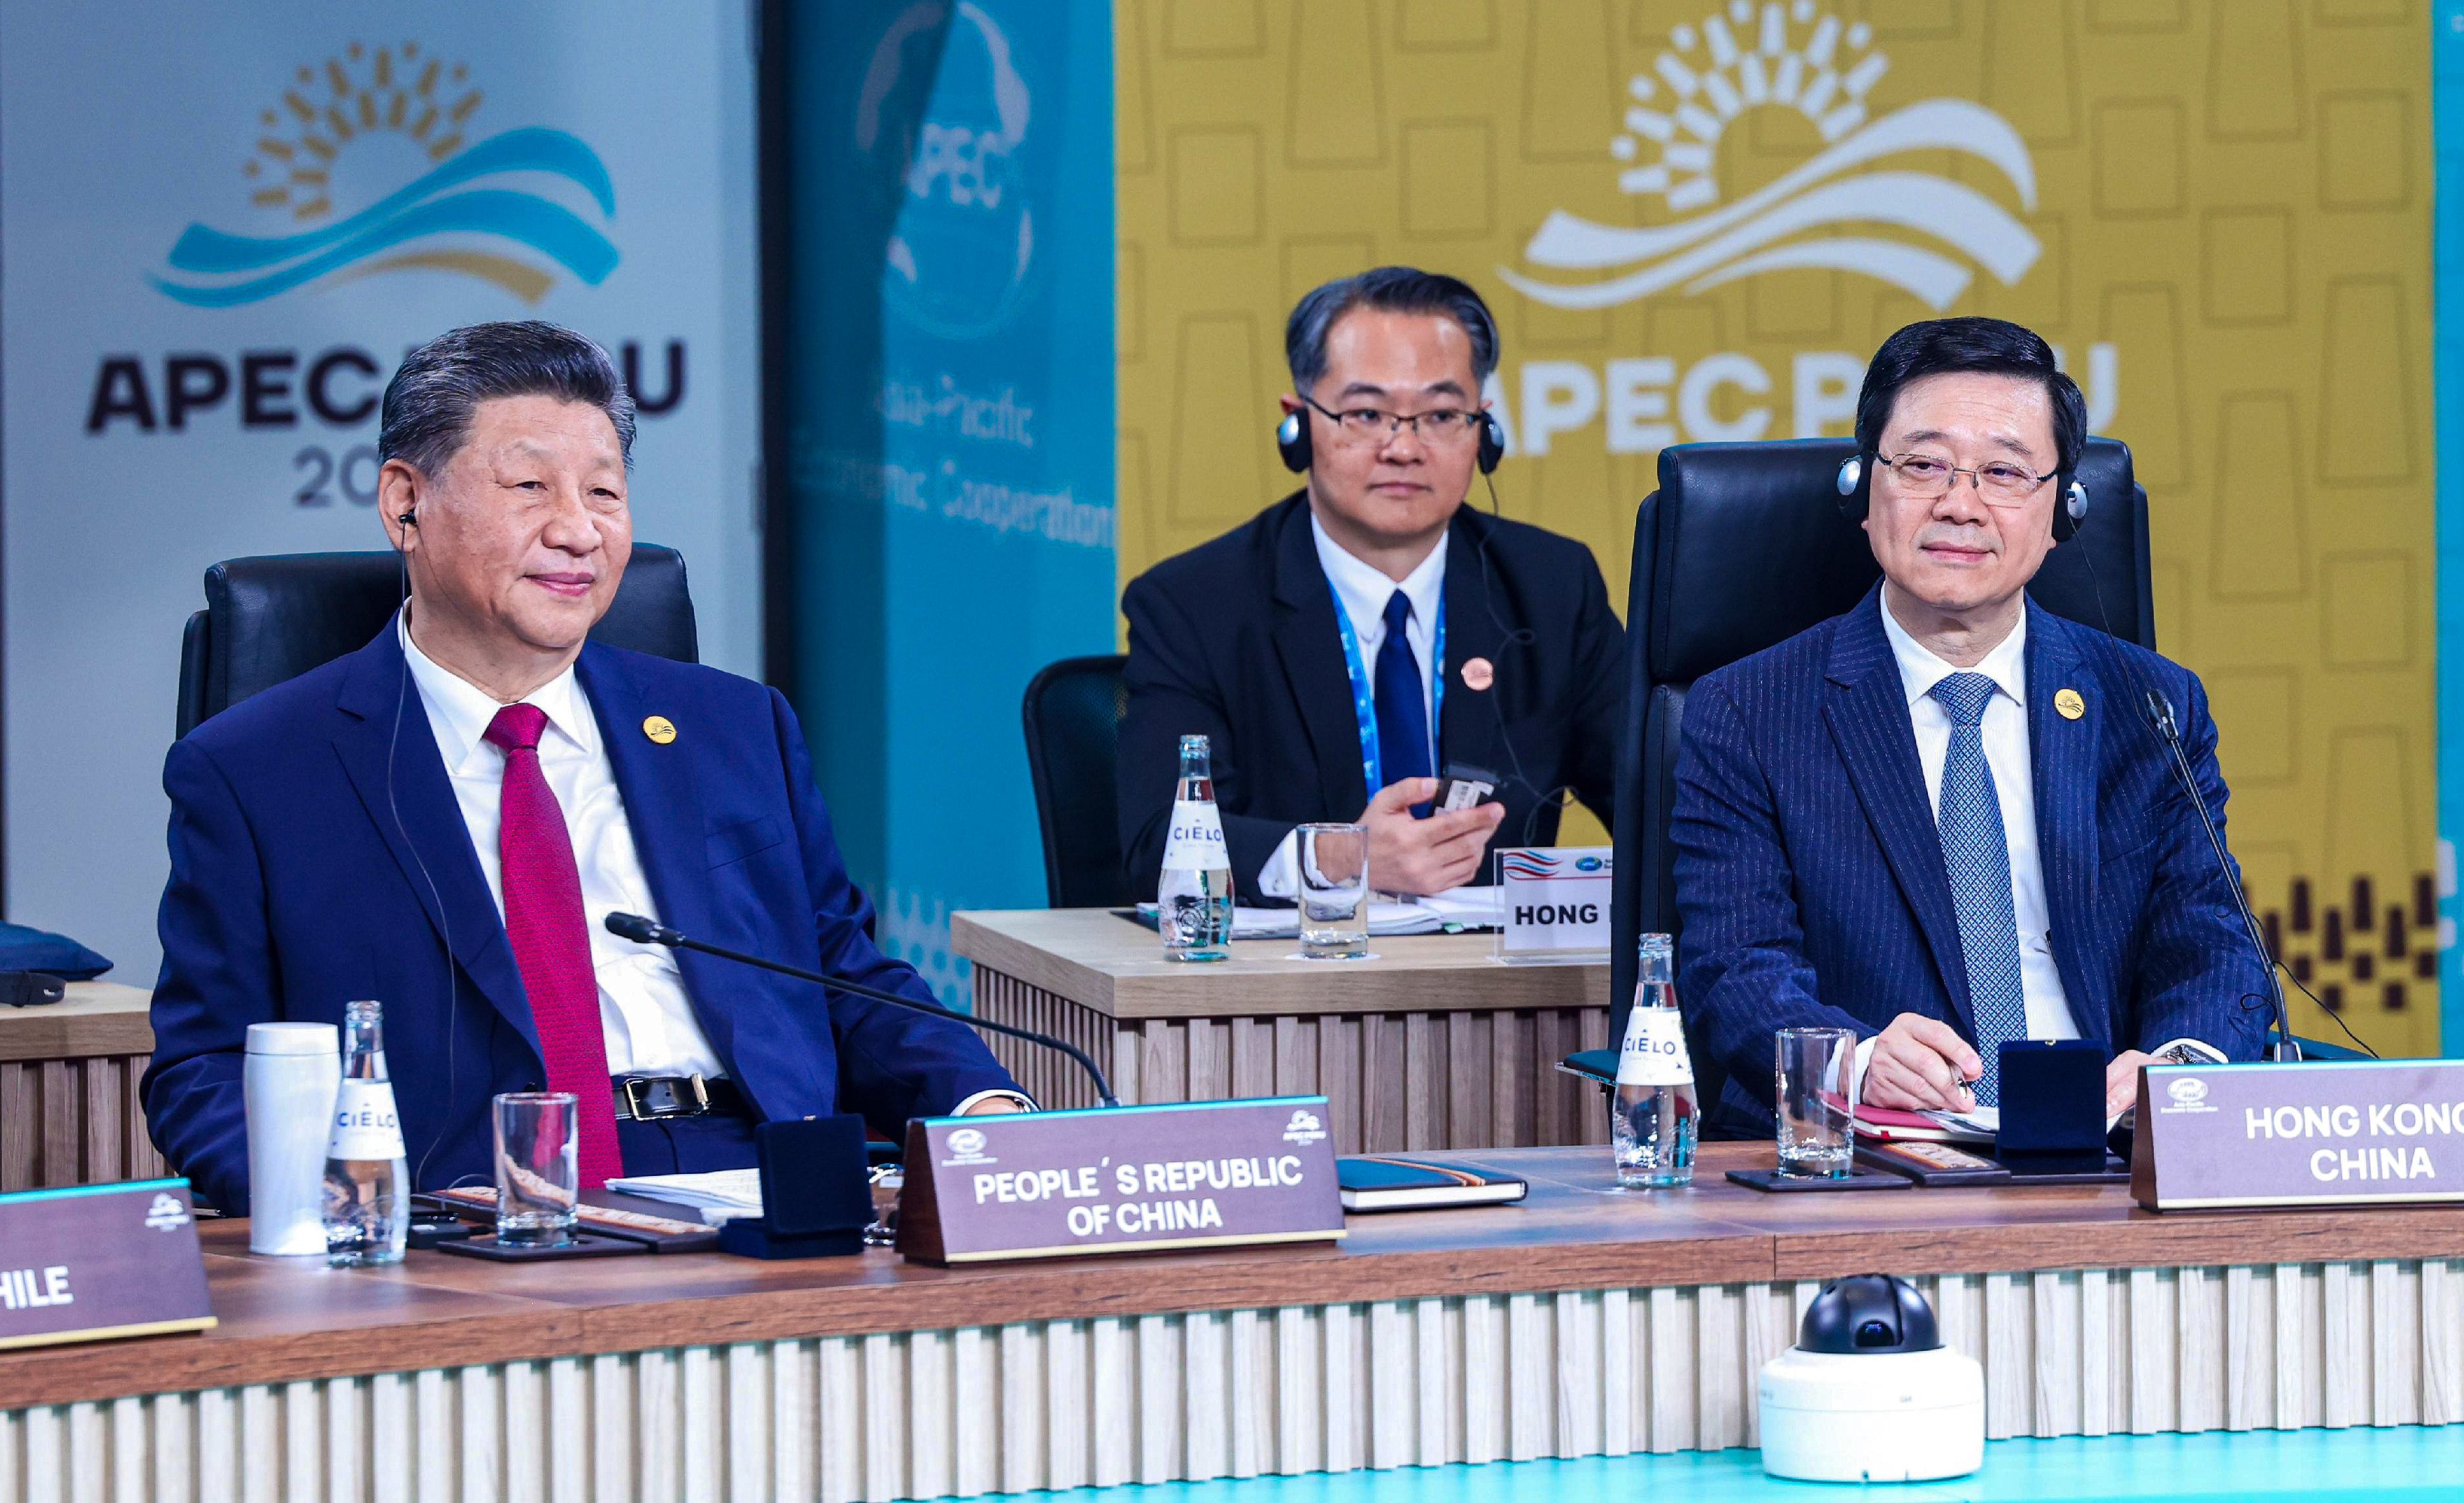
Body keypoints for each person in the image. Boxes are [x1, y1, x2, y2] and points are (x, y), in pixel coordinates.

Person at [146, 322, 1024, 1214]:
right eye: (529, 487)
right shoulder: (258, 771)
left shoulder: (733, 727)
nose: (578, 530)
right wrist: (347, 1208)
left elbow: (840, 974)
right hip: (466, 1217)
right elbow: (204, 1071)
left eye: (604, 492)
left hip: (763, 1184)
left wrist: (983, 1109)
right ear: (404, 501)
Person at [1669, 316, 2267, 1138]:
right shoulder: (1749, 709)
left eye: (2004, 472)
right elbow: (1732, 969)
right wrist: (1857, 1058)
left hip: (2107, 1152)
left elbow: (2212, 940)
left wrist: (2180, 1068)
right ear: (1863, 489)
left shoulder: (2151, 704)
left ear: (2064, 508)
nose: (1960, 504)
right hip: (1870, 1157)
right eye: (1923, 465)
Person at [1118, 267, 1624, 903]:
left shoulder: (1552, 589)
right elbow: (1156, 842)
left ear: (1484, 430)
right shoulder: (1194, 605)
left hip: (1499, 988)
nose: (1403, 447)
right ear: (1297, 423)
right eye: (1366, 413)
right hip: (1286, 988)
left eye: (1441, 414)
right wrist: (1338, 858)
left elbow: (1663, 809)